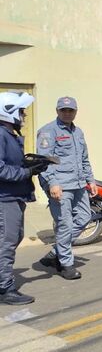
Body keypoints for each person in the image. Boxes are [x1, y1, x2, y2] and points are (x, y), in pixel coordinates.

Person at [37, 97, 97, 280]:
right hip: (60, 185)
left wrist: (91, 180)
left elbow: (84, 158)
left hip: (78, 184)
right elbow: (44, 161)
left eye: (70, 110)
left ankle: (55, 252)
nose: (67, 113)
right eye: (63, 110)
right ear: (57, 111)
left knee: (85, 217)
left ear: (75, 112)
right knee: (65, 225)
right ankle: (66, 264)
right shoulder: (48, 131)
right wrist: (53, 183)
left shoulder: (78, 132)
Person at [0, 91, 42, 304]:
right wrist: (27, 172)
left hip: (15, 195)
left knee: (13, 238)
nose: (24, 115)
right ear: (9, 112)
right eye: (22, 111)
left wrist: (31, 164)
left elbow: (11, 163)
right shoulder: (1, 134)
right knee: (6, 242)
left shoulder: (9, 134)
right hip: (5, 198)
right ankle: (5, 288)